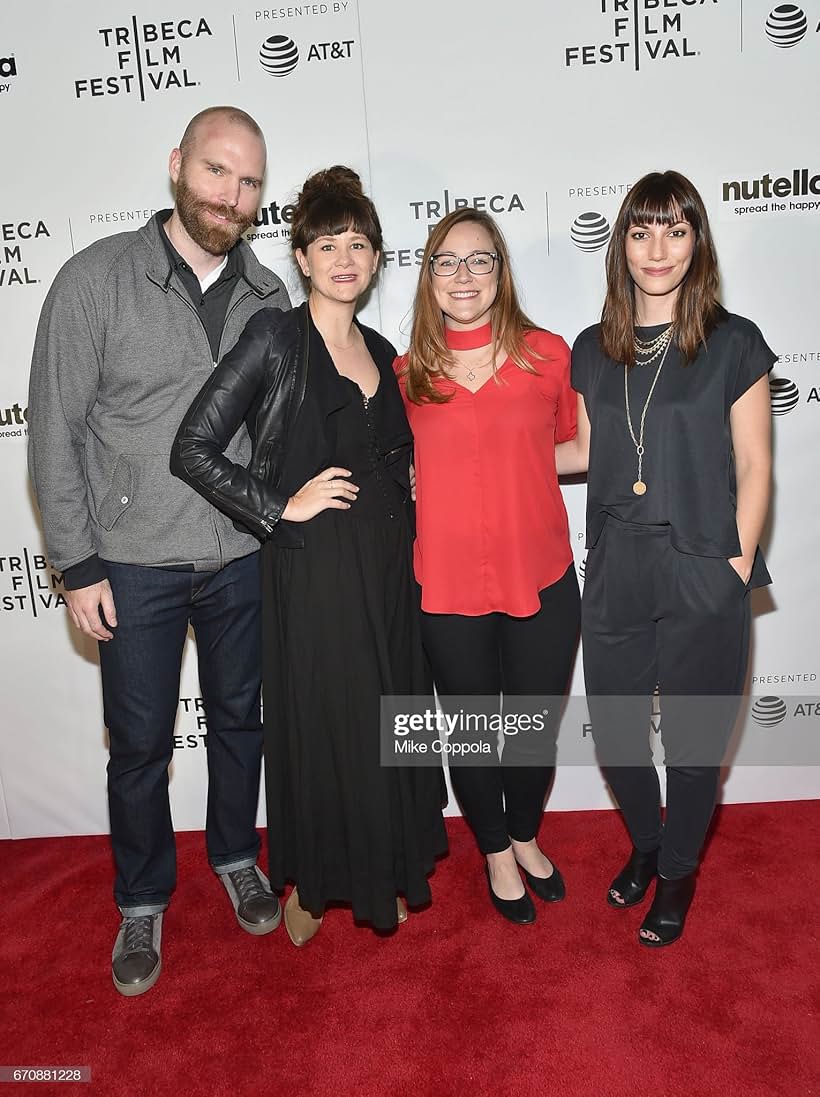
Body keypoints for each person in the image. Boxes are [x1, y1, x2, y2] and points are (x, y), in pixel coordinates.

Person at [28, 107, 290, 996]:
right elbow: (53, 435)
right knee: (139, 743)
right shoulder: (94, 280)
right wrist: (77, 562)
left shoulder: (268, 295)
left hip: (240, 557)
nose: (233, 195)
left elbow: (272, 434)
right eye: (218, 172)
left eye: (250, 181)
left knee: (242, 723)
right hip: (131, 561)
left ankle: (234, 856)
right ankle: (141, 900)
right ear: (178, 165)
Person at [171, 166, 447, 946]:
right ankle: (318, 882)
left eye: (359, 243)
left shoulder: (385, 347)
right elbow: (193, 446)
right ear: (299, 255)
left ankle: (383, 865)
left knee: (389, 715)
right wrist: (278, 504)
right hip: (313, 565)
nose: (345, 257)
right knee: (327, 721)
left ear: (375, 258)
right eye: (329, 243)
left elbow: (391, 454)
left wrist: (411, 478)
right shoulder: (274, 336)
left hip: (389, 564)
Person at [566, 170, 774, 947]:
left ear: (697, 241)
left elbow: (756, 466)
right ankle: (648, 847)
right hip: (618, 564)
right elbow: (581, 451)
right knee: (619, 738)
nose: (658, 248)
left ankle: (678, 873)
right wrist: (465, 455)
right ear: (621, 243)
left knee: (691, 749)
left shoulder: (734, 341)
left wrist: (733, 565)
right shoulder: (592, 349)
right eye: (642, 230)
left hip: (702, 563)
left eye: (675, 230)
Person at [395, 208, 582, 924]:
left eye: (479, 260)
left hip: (539, 571)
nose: (463, 275)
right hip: (444, 581)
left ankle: (528, 834)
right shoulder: (405, 373)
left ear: (501, 272)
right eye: (446, 261)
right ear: (429, 276)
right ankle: (496, 850)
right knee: (471, 727)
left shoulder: (548, 355)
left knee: (533, 724)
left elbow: (575, 448)